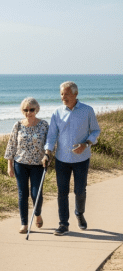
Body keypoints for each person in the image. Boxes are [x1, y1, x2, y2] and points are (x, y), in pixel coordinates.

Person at [41, 81, 101, 236]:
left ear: (75, 94)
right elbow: (52, 135)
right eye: (61, 94)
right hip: (62, 159)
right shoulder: (57, 112)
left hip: (82, 159)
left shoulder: (87, 111)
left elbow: (95, 131)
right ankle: (63, 224)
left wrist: (86, 144)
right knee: (62, 192)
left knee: (80, 191)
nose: (63, 97)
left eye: (66, 94)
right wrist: (47, 152)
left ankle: (79, 213)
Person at [5, 97, 48, 233]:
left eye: (31, 109)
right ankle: (24, 223)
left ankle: (37, 214)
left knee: (36, 194)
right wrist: (9, 166)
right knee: (22, 193)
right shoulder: (18, 125)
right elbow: (11, 145)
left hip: (38, 164)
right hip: (20, 164)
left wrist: (48, 155)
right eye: (25, 110)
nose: (28, 112)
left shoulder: (44, 125)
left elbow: (49, 144)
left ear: (37, 109)